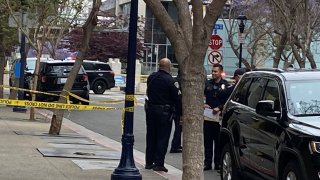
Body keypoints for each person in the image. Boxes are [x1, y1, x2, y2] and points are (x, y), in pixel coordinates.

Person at [144, 58, 179, 173]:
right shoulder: (170, 80)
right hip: (164, 112)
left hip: (151, 110)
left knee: (151, 136)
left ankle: (149, 162)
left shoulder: (152, 77)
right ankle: (159, 163)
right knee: (162, 138)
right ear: (168, 67)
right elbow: (176, 97)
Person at [203, 64, 230, 171]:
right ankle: (207, 163)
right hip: (208, 117)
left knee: (218, 142)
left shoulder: (226, 85)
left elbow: (228, 101)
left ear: (221, 72)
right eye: (213, 71)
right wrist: (203, 103)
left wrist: (219, 108)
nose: (214, 73)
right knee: (207, 142)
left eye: (216, 71)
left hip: (219, 118)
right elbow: (200, 95)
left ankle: (218, 163)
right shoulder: (207, 84)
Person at [170, 70, 183, 153]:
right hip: (179, 108)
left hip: (174, 107)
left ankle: (177, 144)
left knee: (179, 127)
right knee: (179, 127)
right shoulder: (182, 81)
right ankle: (175, 145)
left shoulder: (174, 80)